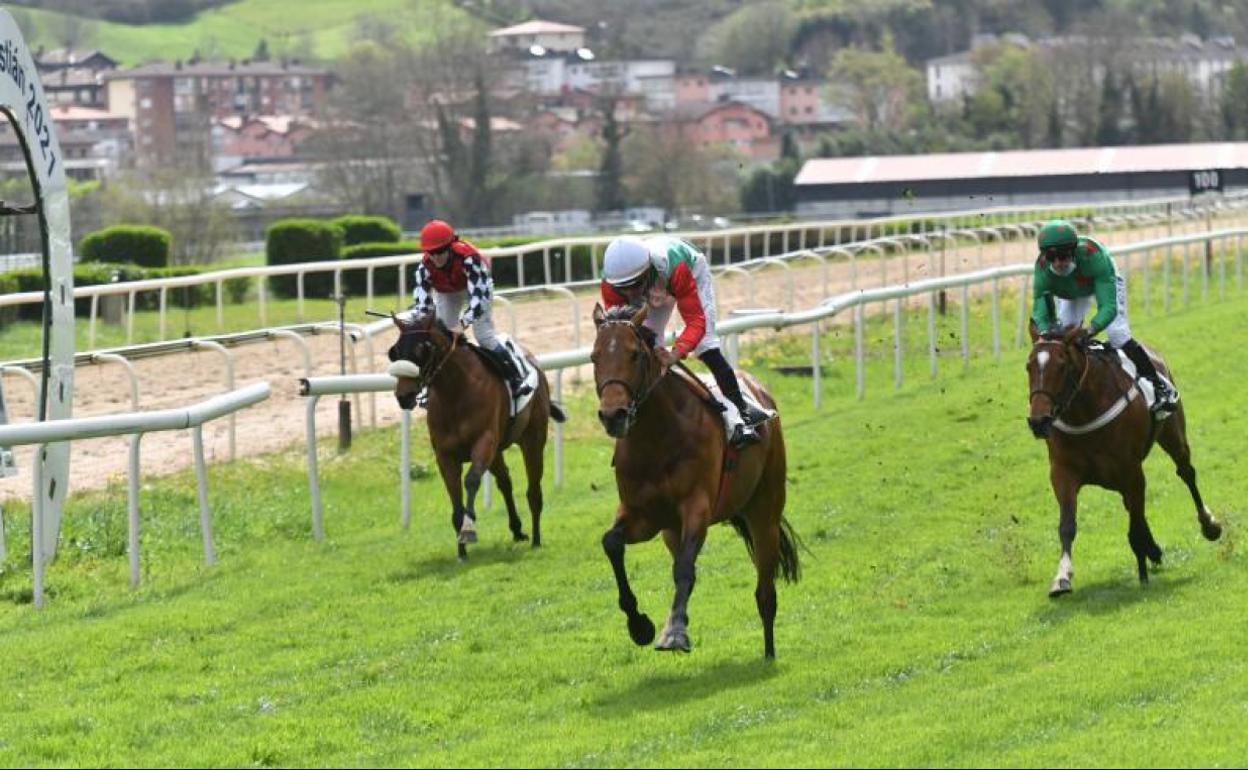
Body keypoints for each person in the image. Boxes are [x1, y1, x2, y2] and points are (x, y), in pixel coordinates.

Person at [601, 234, 774, 446]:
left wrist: (676, 352)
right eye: (623, 289)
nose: (630, 294)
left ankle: (742, 414)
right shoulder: (611, 283)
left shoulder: (678, 270)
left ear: (646, 272)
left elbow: (696, 322)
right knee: (648, 348)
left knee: (705, 346)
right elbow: (621, 334)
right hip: (657, 281)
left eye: (635, 285)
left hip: (689, 270)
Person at [1032, 218, 1176, 415]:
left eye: (1063, 256)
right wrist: (1044, 330)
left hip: (1100, 282)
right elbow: (1040, 306)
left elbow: (1108, 307)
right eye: (1051, 257)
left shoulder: (1094, 257)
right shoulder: (1041, 268)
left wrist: (1090, 330)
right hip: (1071, 292)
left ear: (1073, 252)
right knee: (1061, 340)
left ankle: (1159, 386)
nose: (1057, 263)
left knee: (1117, 335)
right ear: (1044, 256)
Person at [411, 219, 529, 397]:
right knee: (443, 335)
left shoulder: (469, 259)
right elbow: (423, 306)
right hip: (447, 292)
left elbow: (478, 299)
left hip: (476, 290)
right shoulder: (424, 268)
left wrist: (463, 323)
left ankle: (515, 377)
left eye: (440, 251)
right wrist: (420, 321)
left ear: (451, 246)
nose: (436, 257)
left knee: (484, 336)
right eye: (431, 253)